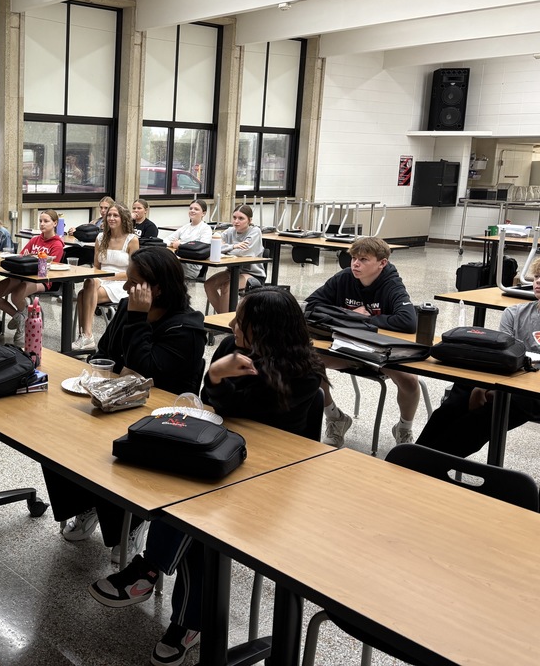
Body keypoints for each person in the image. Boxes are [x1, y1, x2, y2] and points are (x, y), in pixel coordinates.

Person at [88, 286, 326, 665]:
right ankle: (187, 621)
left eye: (243, 322)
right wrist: (216, 377)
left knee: (199, 512)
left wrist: (219, 377)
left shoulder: (304, 373)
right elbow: (212, 406)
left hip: (270, 480)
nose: (232, 326)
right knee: (195, 507)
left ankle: (151, 571)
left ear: (267, 330)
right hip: (224, 459)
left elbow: (254, 417)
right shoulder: (233, 349)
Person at [47, 247, 206, 565]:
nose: (128, 287)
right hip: (117, 401)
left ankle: (132, 524)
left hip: (160, 419)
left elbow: (148, 373)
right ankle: (85, 503)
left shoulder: (185, 327)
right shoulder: (125, 306)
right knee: (55, 433)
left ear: (157, 288)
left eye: (135, 281)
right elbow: (104, 355)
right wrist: (128, 364)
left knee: (114, 448)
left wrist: (136, 319)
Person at [417, 257, 540, 456]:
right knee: (457, 396)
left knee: (481, 420)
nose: (538, 282)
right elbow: (502, 357)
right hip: (508, 376)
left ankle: (429, 462)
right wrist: (482, 386)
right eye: (536, 277)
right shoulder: (515, 313)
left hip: (532, 392)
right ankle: (416, 453)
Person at [304, 236, 419, 448]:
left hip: (381, 353)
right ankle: (335, 418)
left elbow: (408, 321)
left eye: (364, 259)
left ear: (382, 263)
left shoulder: (391, 283)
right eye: (354, 258)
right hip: (347, 349)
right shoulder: (345, 278)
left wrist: (366, 318)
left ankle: (404, 428)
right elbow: (311, 305)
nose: (356, 264)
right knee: (307, 361)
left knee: (410, 380)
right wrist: (350, 315)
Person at [0, 209, 64, 347]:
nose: (42, 224)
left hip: (42, 280)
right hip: (22, 276)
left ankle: (25, 325)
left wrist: (32, 257)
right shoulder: (35, 239)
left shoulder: (57, 244)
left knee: (17, 295)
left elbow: (49, 268)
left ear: (55, 223)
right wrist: (26, 256)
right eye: (40, 221)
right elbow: (20, 257)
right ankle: (21, 318)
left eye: (46, 221)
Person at [72, 202, 139, 350]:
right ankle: (86, 336)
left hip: (121, 282)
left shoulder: (132, 240)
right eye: (109, 215)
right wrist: (100, 276)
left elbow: (133, 273)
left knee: (83, 294)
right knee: (89, 283)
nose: (111, 218)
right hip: (100, 279)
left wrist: (107, 276)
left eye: (115, 215)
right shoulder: (100, 238)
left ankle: (86, 336)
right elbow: (96, 267)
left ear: (123, 218)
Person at [203, 204, 265, 313]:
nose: (236, 221)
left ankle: (224, 323)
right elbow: (213, 245)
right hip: (231, 271)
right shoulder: (230, 231)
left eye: (241, 218)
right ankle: (222, 318)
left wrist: (225, 247)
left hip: (252, 274)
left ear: (249, 220)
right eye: (234, 218)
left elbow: (243, 252)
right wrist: (233, 246)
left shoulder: (255, 231)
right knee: (208, 285)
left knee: (227, 287)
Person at [166, 200, 212, 280]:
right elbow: (165, 240)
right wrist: (171, 244)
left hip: (191, 267)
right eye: (191, 208)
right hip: (178, 262)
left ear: (203, 213)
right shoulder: (185, 227)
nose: (192, 211)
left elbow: (203, 247)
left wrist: (180, 244)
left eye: (196, 209)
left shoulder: (206, 229)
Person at [65, 195, 113, 266]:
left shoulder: (111, 223)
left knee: (70, 256)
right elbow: (86, 231)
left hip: (97, 251)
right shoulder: (95, 221)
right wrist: (76, 231)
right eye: (101, 208)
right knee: (65, 252)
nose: (103, 210)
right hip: (86, 247)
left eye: (106, 208)